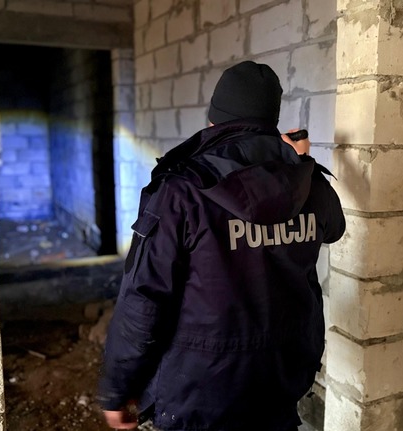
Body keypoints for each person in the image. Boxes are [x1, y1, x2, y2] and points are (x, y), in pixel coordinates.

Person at [97, 61, 346, 431]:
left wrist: (117, 388)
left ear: (214, 118)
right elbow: (334, 229)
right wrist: (300, 162)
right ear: (271, 119)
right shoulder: (307, 181)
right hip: (280, 378)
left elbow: (144, 297)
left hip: (199, 391)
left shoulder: (182, 190)